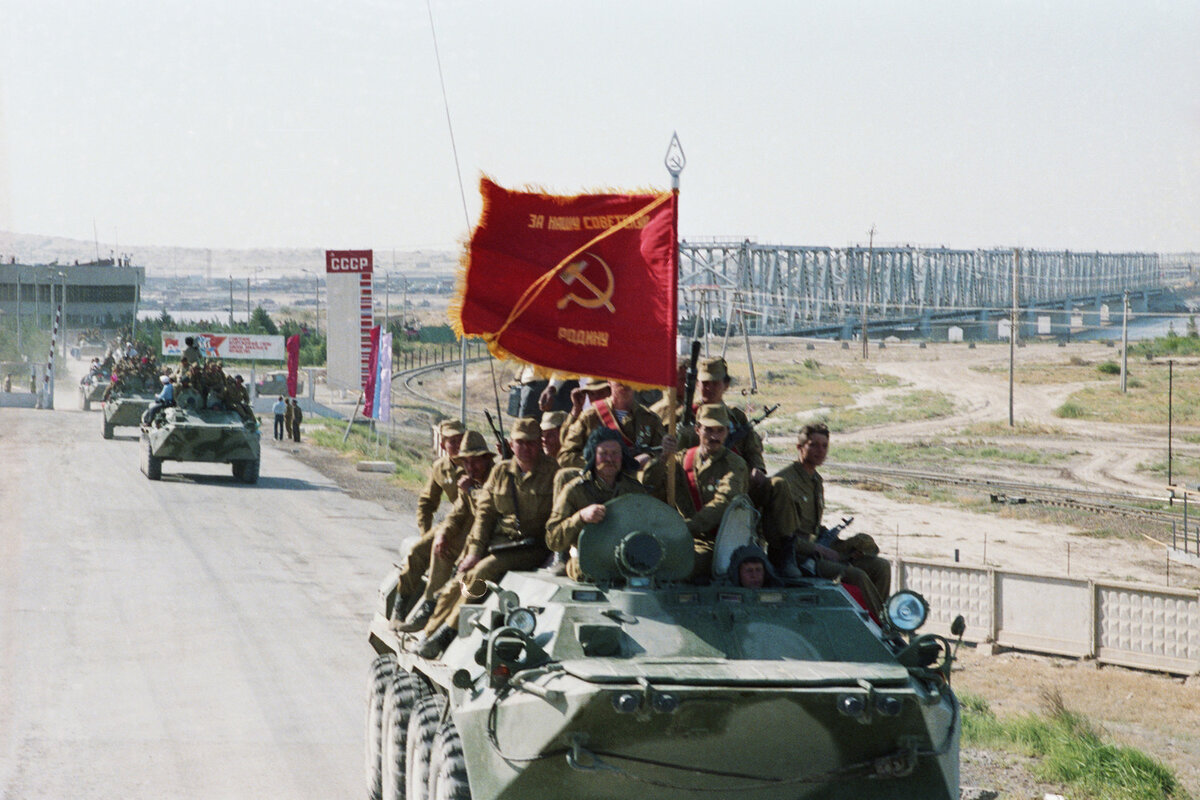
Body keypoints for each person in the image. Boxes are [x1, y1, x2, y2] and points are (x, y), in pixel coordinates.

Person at [413, 417, 558, 658]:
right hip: (501, 544)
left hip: (534, 547)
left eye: (531, 443)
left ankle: (449, 630)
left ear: (539, 444)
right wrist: (474, 552)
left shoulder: (553, 472)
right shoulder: (502, 472)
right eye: (520, 443)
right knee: (460, 581)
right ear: (511, 445)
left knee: (482, 574)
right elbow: (485, 514)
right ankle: (430, 632)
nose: (526, 448)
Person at [762, 423, 890, 619]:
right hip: (798, 558)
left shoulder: (816, 480)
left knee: (880, 566)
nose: (820, 451)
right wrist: (820, 550)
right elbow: (778, 535)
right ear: (800, 447)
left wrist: (843, 544)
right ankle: (880, 624)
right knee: (857, 576)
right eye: (813, 445)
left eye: (824, 446)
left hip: (817, 549)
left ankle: (878, 620)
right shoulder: (784, 482)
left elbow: (812, 526)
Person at [393, 431, 496, 633]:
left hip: (490, 533)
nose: (470, 467)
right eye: (465, 462)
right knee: (421, 549)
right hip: (469, 526)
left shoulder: (496, 476)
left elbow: (489, 509)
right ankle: (401, 606)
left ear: (486, 458)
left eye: (475, 461)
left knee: (447, 554)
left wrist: (470, 491)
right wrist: (441, 534)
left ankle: (432, 608)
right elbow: (457, 512)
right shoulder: (465, 476)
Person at [641, 404, 748, 580]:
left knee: (678, 567)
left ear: (727, 432)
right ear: (697, 429)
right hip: (680, 538)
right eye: (709, 430)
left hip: (719, 542)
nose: (714, 436)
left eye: (720, 430)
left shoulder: (735, 465)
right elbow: (649, 485)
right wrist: (662, 458)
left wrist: (686, 528)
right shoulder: (681, 459)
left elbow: (724, 502)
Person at [546, 427, 652, 580]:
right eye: (603, 454)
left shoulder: (634, 490)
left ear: (622, 457)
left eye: (615, 453)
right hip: (586, 559)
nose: (609, 459)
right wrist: (580, 517)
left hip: (628, 559)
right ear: (593, 457)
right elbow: (553, 539)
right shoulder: (574, 490)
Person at [677, 357, 766, 486]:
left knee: (777, 485)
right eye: (705, 383)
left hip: (737, 479)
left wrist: (758, 468)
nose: (709, 388)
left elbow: (752, 449)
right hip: (696, 481)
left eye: (715, 383)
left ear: (726, 385)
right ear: (697, 384)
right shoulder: (684, 415)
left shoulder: (736, 416)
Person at [558, 380, 666, 469]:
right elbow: (565, 456)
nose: (624, 382)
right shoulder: (590, 417)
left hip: (638, 485)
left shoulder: (650, 419)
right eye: (619, 377)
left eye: (629, 377)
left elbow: (663, 453)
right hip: (600, 486)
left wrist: (648, 459)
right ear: (609, 381)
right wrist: (600, 461)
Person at [416, 420, 466, 536]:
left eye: (461, 440)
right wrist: (425, 534)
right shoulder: (440, 467)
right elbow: (426, 503)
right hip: (458, 523)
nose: (458, 445)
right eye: (453, 441)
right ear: (443, 445)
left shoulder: (478, 463)